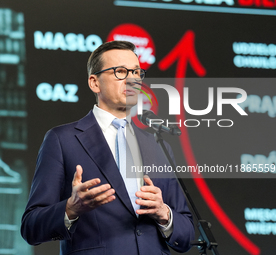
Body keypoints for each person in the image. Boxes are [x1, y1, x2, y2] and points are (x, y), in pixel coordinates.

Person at [21, 41, 194, 255]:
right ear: (94, 83)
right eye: (120, 72)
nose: (132, 79)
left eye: (137, 72)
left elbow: (186, 235)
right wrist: (70, 208)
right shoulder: (62, 140)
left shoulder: (158, 145)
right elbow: (31, 227)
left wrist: (163, 213)